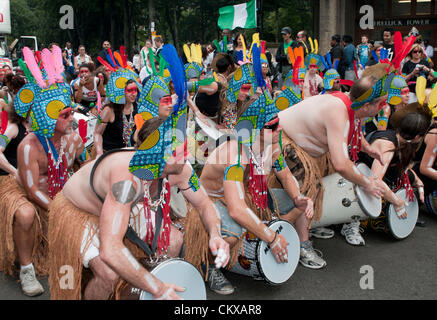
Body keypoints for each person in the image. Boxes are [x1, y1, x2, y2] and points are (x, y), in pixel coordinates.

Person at [47, 45, 230, 299]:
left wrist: (215, 234)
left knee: (174, 241)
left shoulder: (181, 169)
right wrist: (157, 288)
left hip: (113, 208)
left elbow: (204, 205)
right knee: (109, 273)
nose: (187, 155)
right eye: (179, 149)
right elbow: (111, 249)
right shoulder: (127, 179)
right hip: (79, 211)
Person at [277, 63, 406, 240]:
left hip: (305, 147)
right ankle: (300, 241)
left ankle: (310, 225)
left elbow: (355, 132)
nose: (383, 107)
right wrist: (366, 182)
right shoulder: (339, 112)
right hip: (282, 140)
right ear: (367, 105)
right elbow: (341, 163)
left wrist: (368, 150)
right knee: (311, 186)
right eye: (381, 103)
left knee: (326, 177)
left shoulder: (350, 103)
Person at [0, 45, 85, 296]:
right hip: (29, 194)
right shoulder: (28, 146)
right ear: (48, 118)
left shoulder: (71, 137)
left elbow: (83, 166)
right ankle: (27, 269)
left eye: (71, 112)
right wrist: (59, 209)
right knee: (25, 215)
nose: (72, 118)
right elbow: (31, 189)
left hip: (59, 193)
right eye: (65, 114)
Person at [357, 112, 429, 243]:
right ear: (418, 136)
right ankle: (352, 224)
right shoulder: (388, 145)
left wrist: (417, 180)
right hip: (357, 178)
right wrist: (397, 202)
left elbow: (402, 167)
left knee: (410, 178)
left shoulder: (400, 139)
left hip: (368, 175)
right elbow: (375, 180)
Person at [93, 66, 142, 157]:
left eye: (135, 90)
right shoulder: (108, 110)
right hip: (109, 154)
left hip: (129, 154)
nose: (134, 94)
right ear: (120, 91)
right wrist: (99, 153)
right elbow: (97, 133)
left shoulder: (138, 108)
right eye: (129, 90)